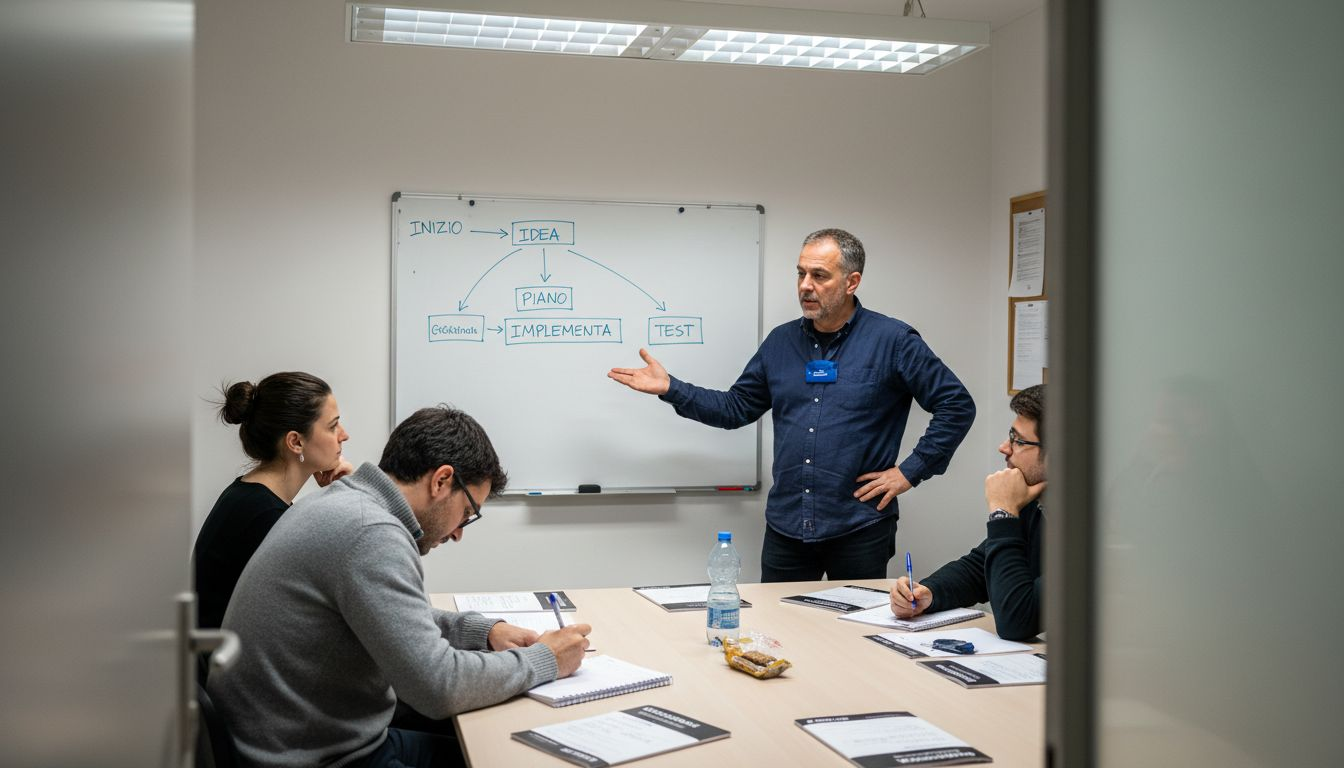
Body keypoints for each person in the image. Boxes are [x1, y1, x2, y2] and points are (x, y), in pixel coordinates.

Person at [207, 405, 592, 768]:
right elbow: (438, 687)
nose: (458, 532)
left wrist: (483, 632)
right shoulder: (371, 533)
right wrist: (546, 660)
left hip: (300, 740)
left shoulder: (347, 504)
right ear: (441, 480)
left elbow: (394, 615)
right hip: (316, 757)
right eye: (468, 512)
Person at [609, 228, 975, 581]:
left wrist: (910, 471)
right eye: (801, 274)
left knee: (852, 636)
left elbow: (956, 405)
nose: (805, 286)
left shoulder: (893, 341)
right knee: (780, 634)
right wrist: (671, 388)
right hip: (787, 526)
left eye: (819, 275)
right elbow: (736, 408)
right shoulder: (780, 342)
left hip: (858, 524)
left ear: (852, 282)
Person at [193, 371, 353, 630]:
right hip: (228, 667)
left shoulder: (253, 498)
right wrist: (352, 494)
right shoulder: (263, 516)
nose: (344, 435)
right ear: (295, 442)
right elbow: (342, 582)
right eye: (333, 426)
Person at [890, 384, 1046, 641]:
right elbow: (979, 569)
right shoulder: (1037, 500)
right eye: (1010, 435)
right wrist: (928, 592)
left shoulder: (1090, 521)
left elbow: (1016, 621)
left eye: (1018, 440)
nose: (1004, 447)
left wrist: (1003, 512)